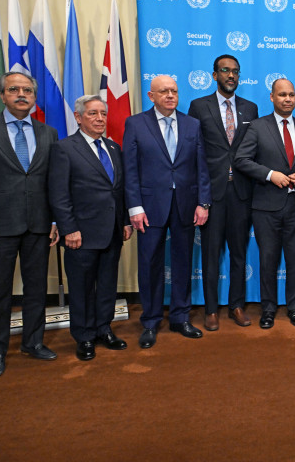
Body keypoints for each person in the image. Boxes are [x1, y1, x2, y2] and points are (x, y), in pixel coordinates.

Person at [0, 72, 59, 377]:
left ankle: (33, 342)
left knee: (36, 289)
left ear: (34, 96)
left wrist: (55, 219)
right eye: (14, 89)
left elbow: (53, 182)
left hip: (39, 225)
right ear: (2, 95)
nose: (22, 94)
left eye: (28, 90)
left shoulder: (49, 133)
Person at [123, 75, 211, 348]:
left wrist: (203, 203)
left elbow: (201, 167)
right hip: (149, 207)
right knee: (150, 263)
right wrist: (135, 207)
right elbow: (130, 169)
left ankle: (180, 317)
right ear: (151, 96)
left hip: (186, 204)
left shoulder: (192, 124)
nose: (170, 95)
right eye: (164, 91)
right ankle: (150, 321)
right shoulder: (136, 124)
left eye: (174, 91)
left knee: (183, 262)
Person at [48, 95, 133, 360]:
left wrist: (125, 221)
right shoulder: (65, 148)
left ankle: (103, 329)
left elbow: (119, 189)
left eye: (103, 113)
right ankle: (84, 336)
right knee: (82, 288)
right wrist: (68, 228)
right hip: (81, 234)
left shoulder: (113, 147)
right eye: (93, 113)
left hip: (112, 231)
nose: (99, 119)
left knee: (107, 284)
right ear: (78, 117)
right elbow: (59, 194)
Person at [234, 79, 295, 329]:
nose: (287, 99)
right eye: (282, 95)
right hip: (266, 206)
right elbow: (241, 159)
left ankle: (294, 307)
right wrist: (270, 175)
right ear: (272, 97)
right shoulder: (258, 127)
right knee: (268, 259)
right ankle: (268, 309)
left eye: (291, 95)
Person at [188, 54, 258, 330]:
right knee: (211, 254)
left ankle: (237, 305)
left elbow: (253, 150)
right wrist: (200, 197)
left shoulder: (250, 109)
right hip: (212, 194)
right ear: (214, 75)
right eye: (226, 70)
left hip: (241, 192)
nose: (231, 75)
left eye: (235, 71)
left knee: (239, 254)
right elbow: (194, 152)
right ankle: (211, 310)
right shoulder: (199, 106)